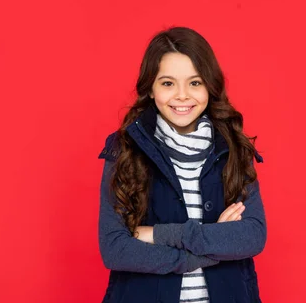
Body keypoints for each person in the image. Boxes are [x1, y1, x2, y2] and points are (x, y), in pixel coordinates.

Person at [97, 26, 266, 303]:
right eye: (167, 83)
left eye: (195, 83)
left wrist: (160, 234)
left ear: (209, 86)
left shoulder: (233, 148)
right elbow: (115, 248)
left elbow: (252, 236)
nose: (182, 96)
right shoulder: (124, 149)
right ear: (150, 88)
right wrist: (211, 246)